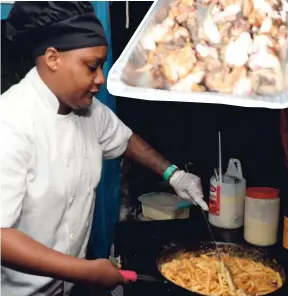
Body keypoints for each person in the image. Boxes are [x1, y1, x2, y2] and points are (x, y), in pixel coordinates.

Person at [0, 2, 208, 296]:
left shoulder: (89, 110)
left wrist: (174, 175)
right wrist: (84, 270)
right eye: (91, 66)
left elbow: (124, 139)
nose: (101, 78)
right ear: (52, 58)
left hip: (71, 287)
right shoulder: (9, 123)